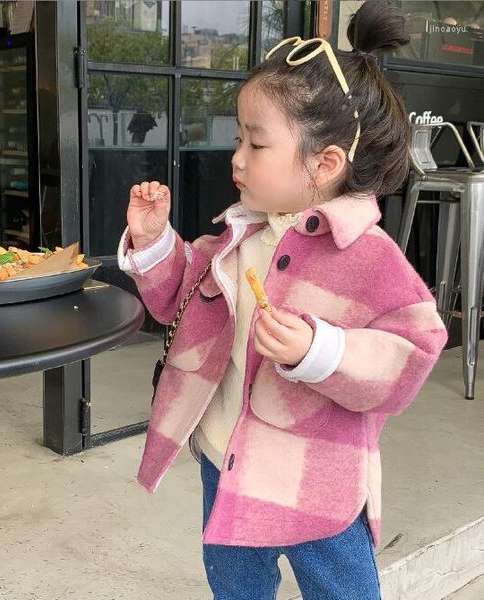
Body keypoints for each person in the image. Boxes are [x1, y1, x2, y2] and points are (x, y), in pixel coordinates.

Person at [117, 1, 448, 598]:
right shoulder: (240, 234)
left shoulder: (367, 257)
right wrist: (155, 242)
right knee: (235, 584)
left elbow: (414, 350)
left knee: (340, 588)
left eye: (256, 143)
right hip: (227, 454)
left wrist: (322, 351)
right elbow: (182, 299)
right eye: (238, 137)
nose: (236, 157)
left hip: (314, 476)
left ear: (323, 164)